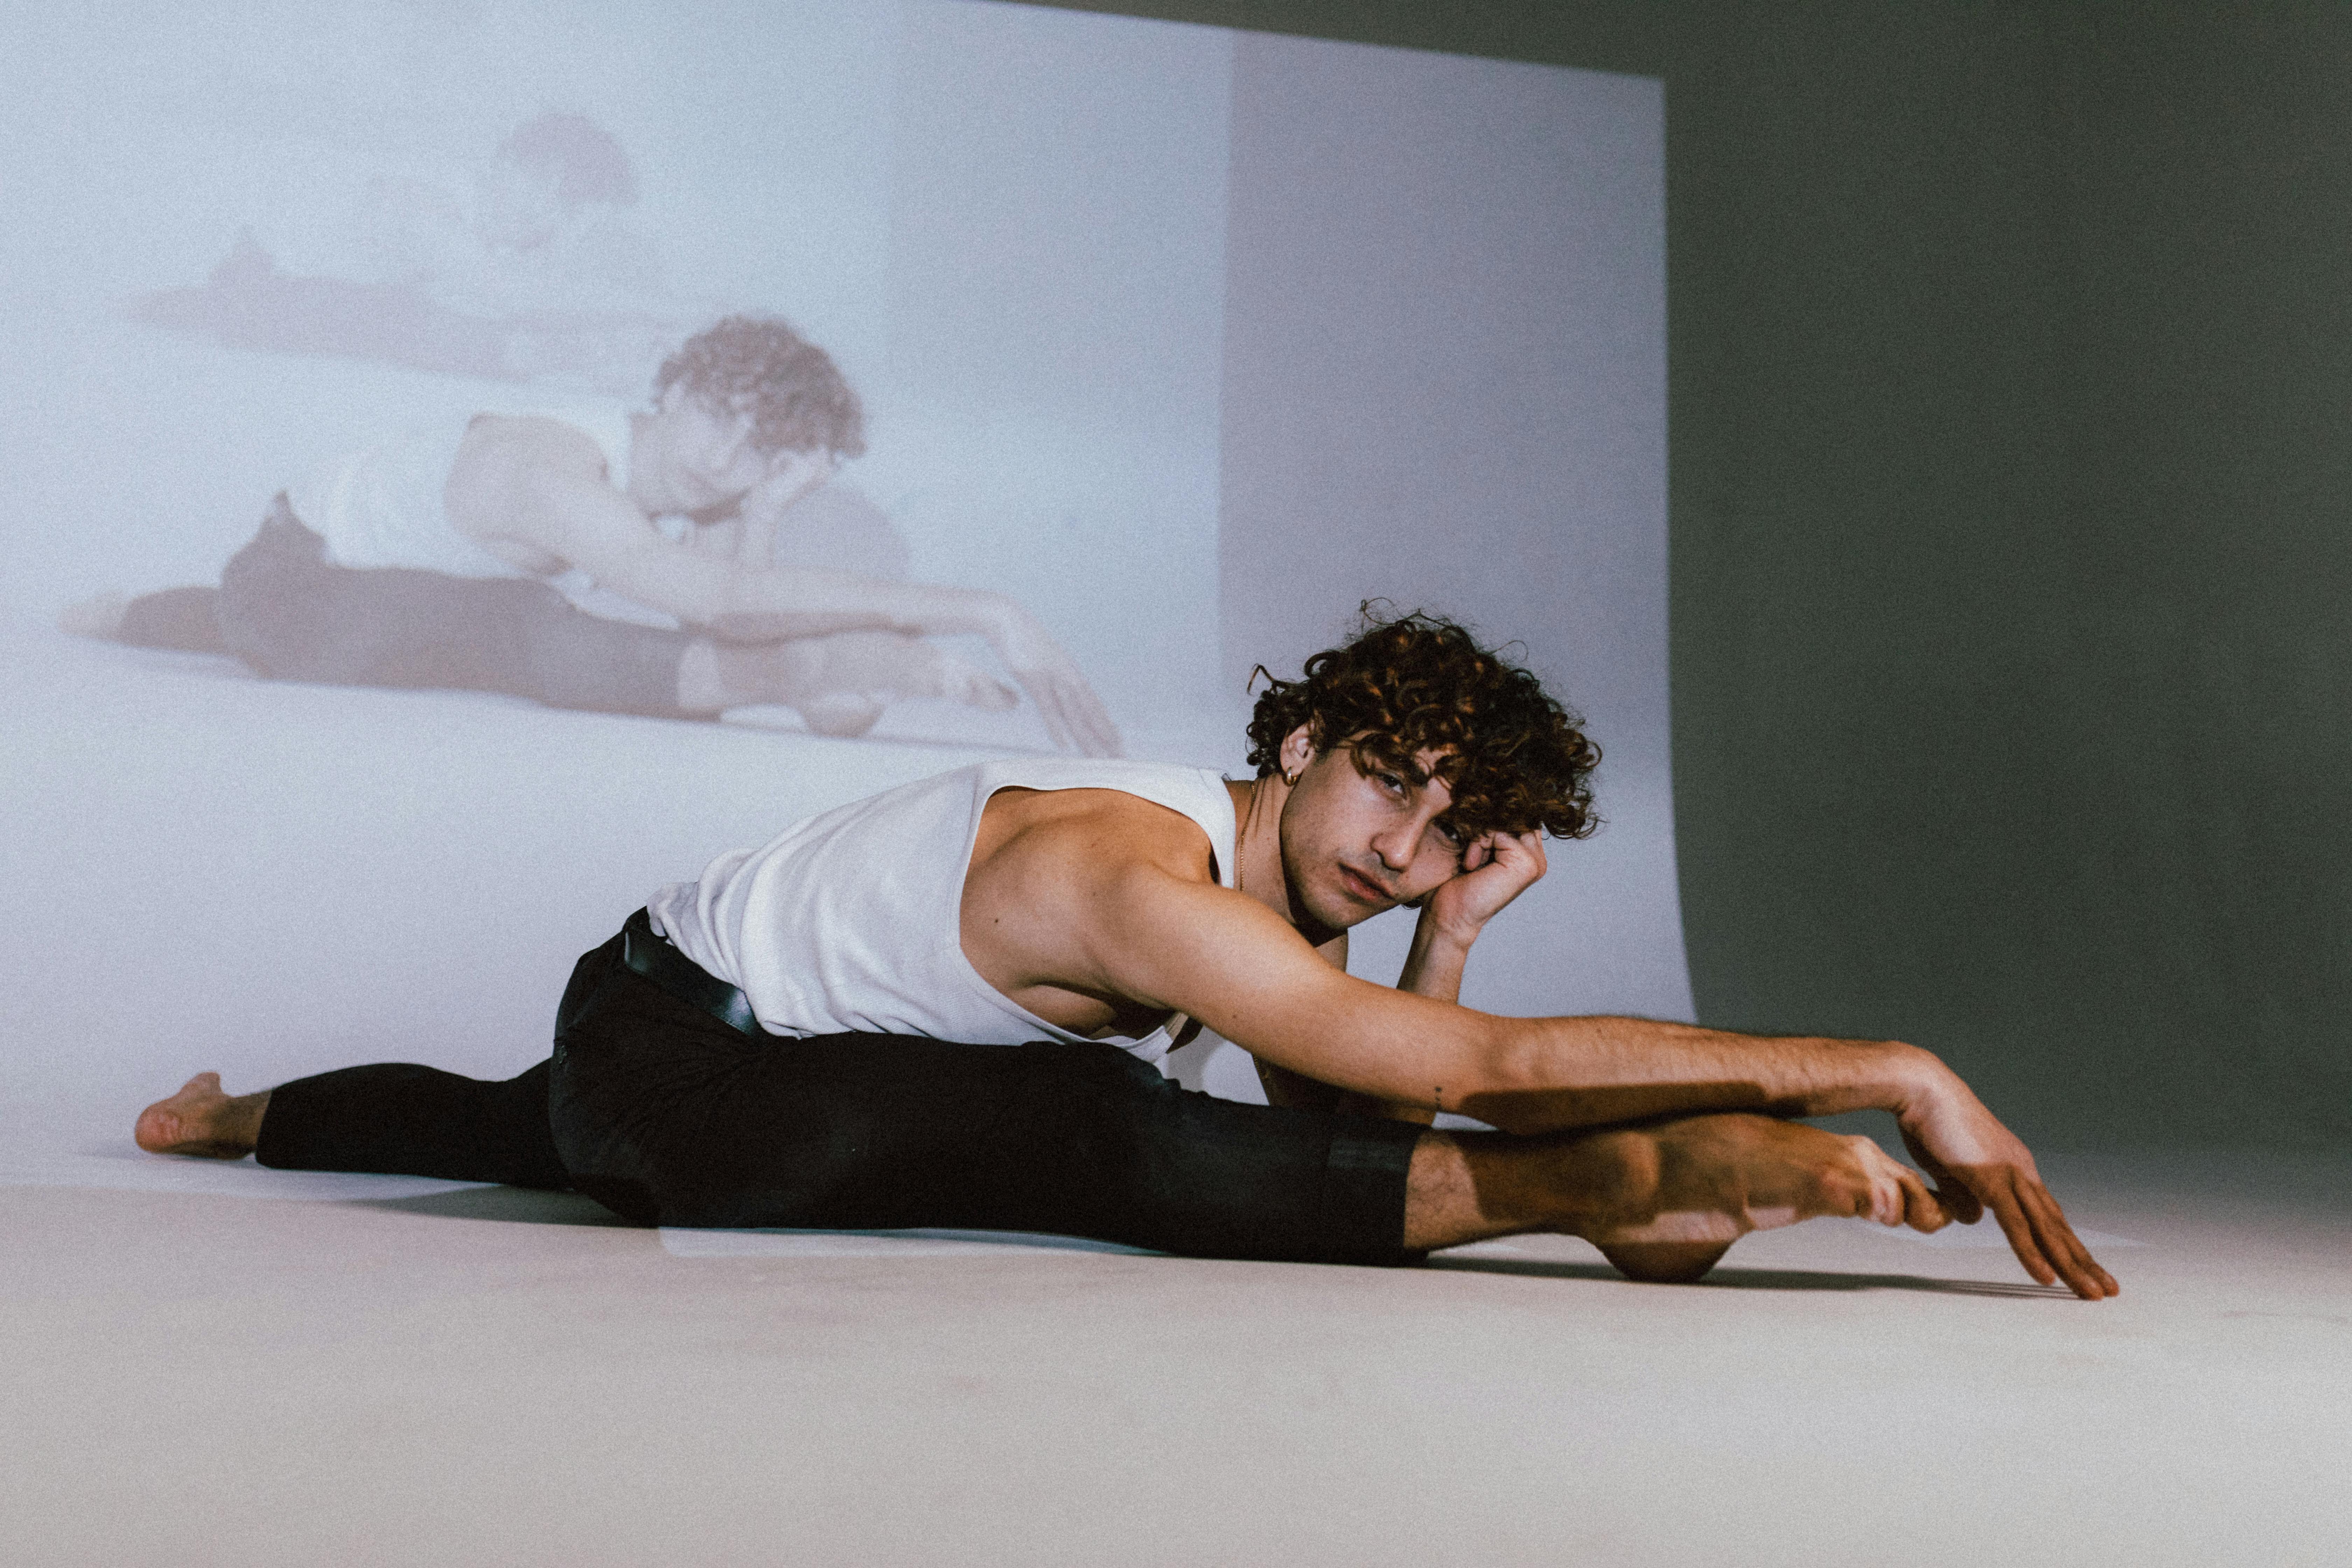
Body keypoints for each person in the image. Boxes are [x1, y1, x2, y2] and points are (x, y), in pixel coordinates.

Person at [134, 611, 2117, 1297]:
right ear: (1291, 745)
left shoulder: (1278, 895)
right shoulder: (1132, 871)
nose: (1403, 844)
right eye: (1384, 793)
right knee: (1089, 1129)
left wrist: (1444, 936)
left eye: (1447, 826)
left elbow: (1346, 1089)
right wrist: (1871, 1063)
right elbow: (1449, 1092)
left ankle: (247, 1116)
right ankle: (1614, 1199)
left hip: (711, 1067)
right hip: (677, 1044)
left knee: (526, 1135)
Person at [67, 315, 1121, 755]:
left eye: (763, 450)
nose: (724, 457)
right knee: (523, 624)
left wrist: (764, 518)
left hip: (367, 609)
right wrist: (987, 609)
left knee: (489, 622)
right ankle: (150, 614)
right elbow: (715, 615)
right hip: (291, 588)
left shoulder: (693, 498)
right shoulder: (548, 464)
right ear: (670, 391)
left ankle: (132, 614)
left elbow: (831, 714)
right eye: (717, 416)